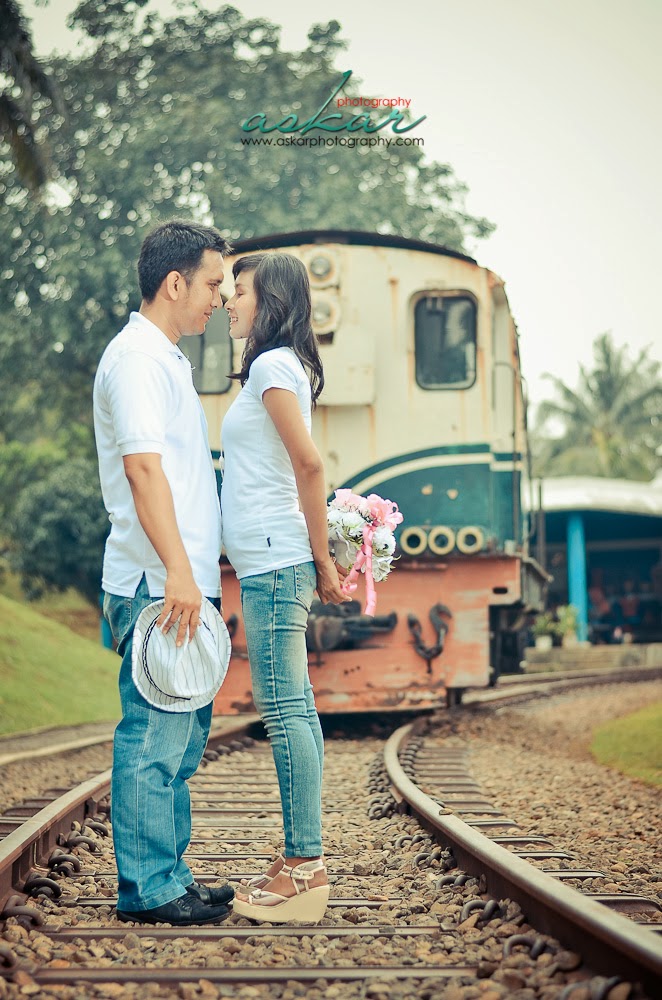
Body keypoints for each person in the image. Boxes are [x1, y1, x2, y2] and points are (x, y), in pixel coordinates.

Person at [93, 220, 235, 926]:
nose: (223, 296)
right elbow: (143, 470)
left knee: (180, 739)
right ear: (173, 283)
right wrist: (179, 570)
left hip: (181, 580)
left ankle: (167, 873)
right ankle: (146, 887)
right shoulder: (137, 361)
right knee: (153, 736)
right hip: (157, 582)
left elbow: (179, 477)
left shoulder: (168, 359)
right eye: (213, 283)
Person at [221, 252, 348, 923]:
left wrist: (322, 556)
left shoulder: (272, 366)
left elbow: (309, 462)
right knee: (295, 708)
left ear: (267, 298)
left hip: (275, 563)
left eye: (236, 290)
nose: (226, 300)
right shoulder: (277, 367)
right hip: (272, 560)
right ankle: (304, 861)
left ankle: (304, 868)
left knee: (285, 712)